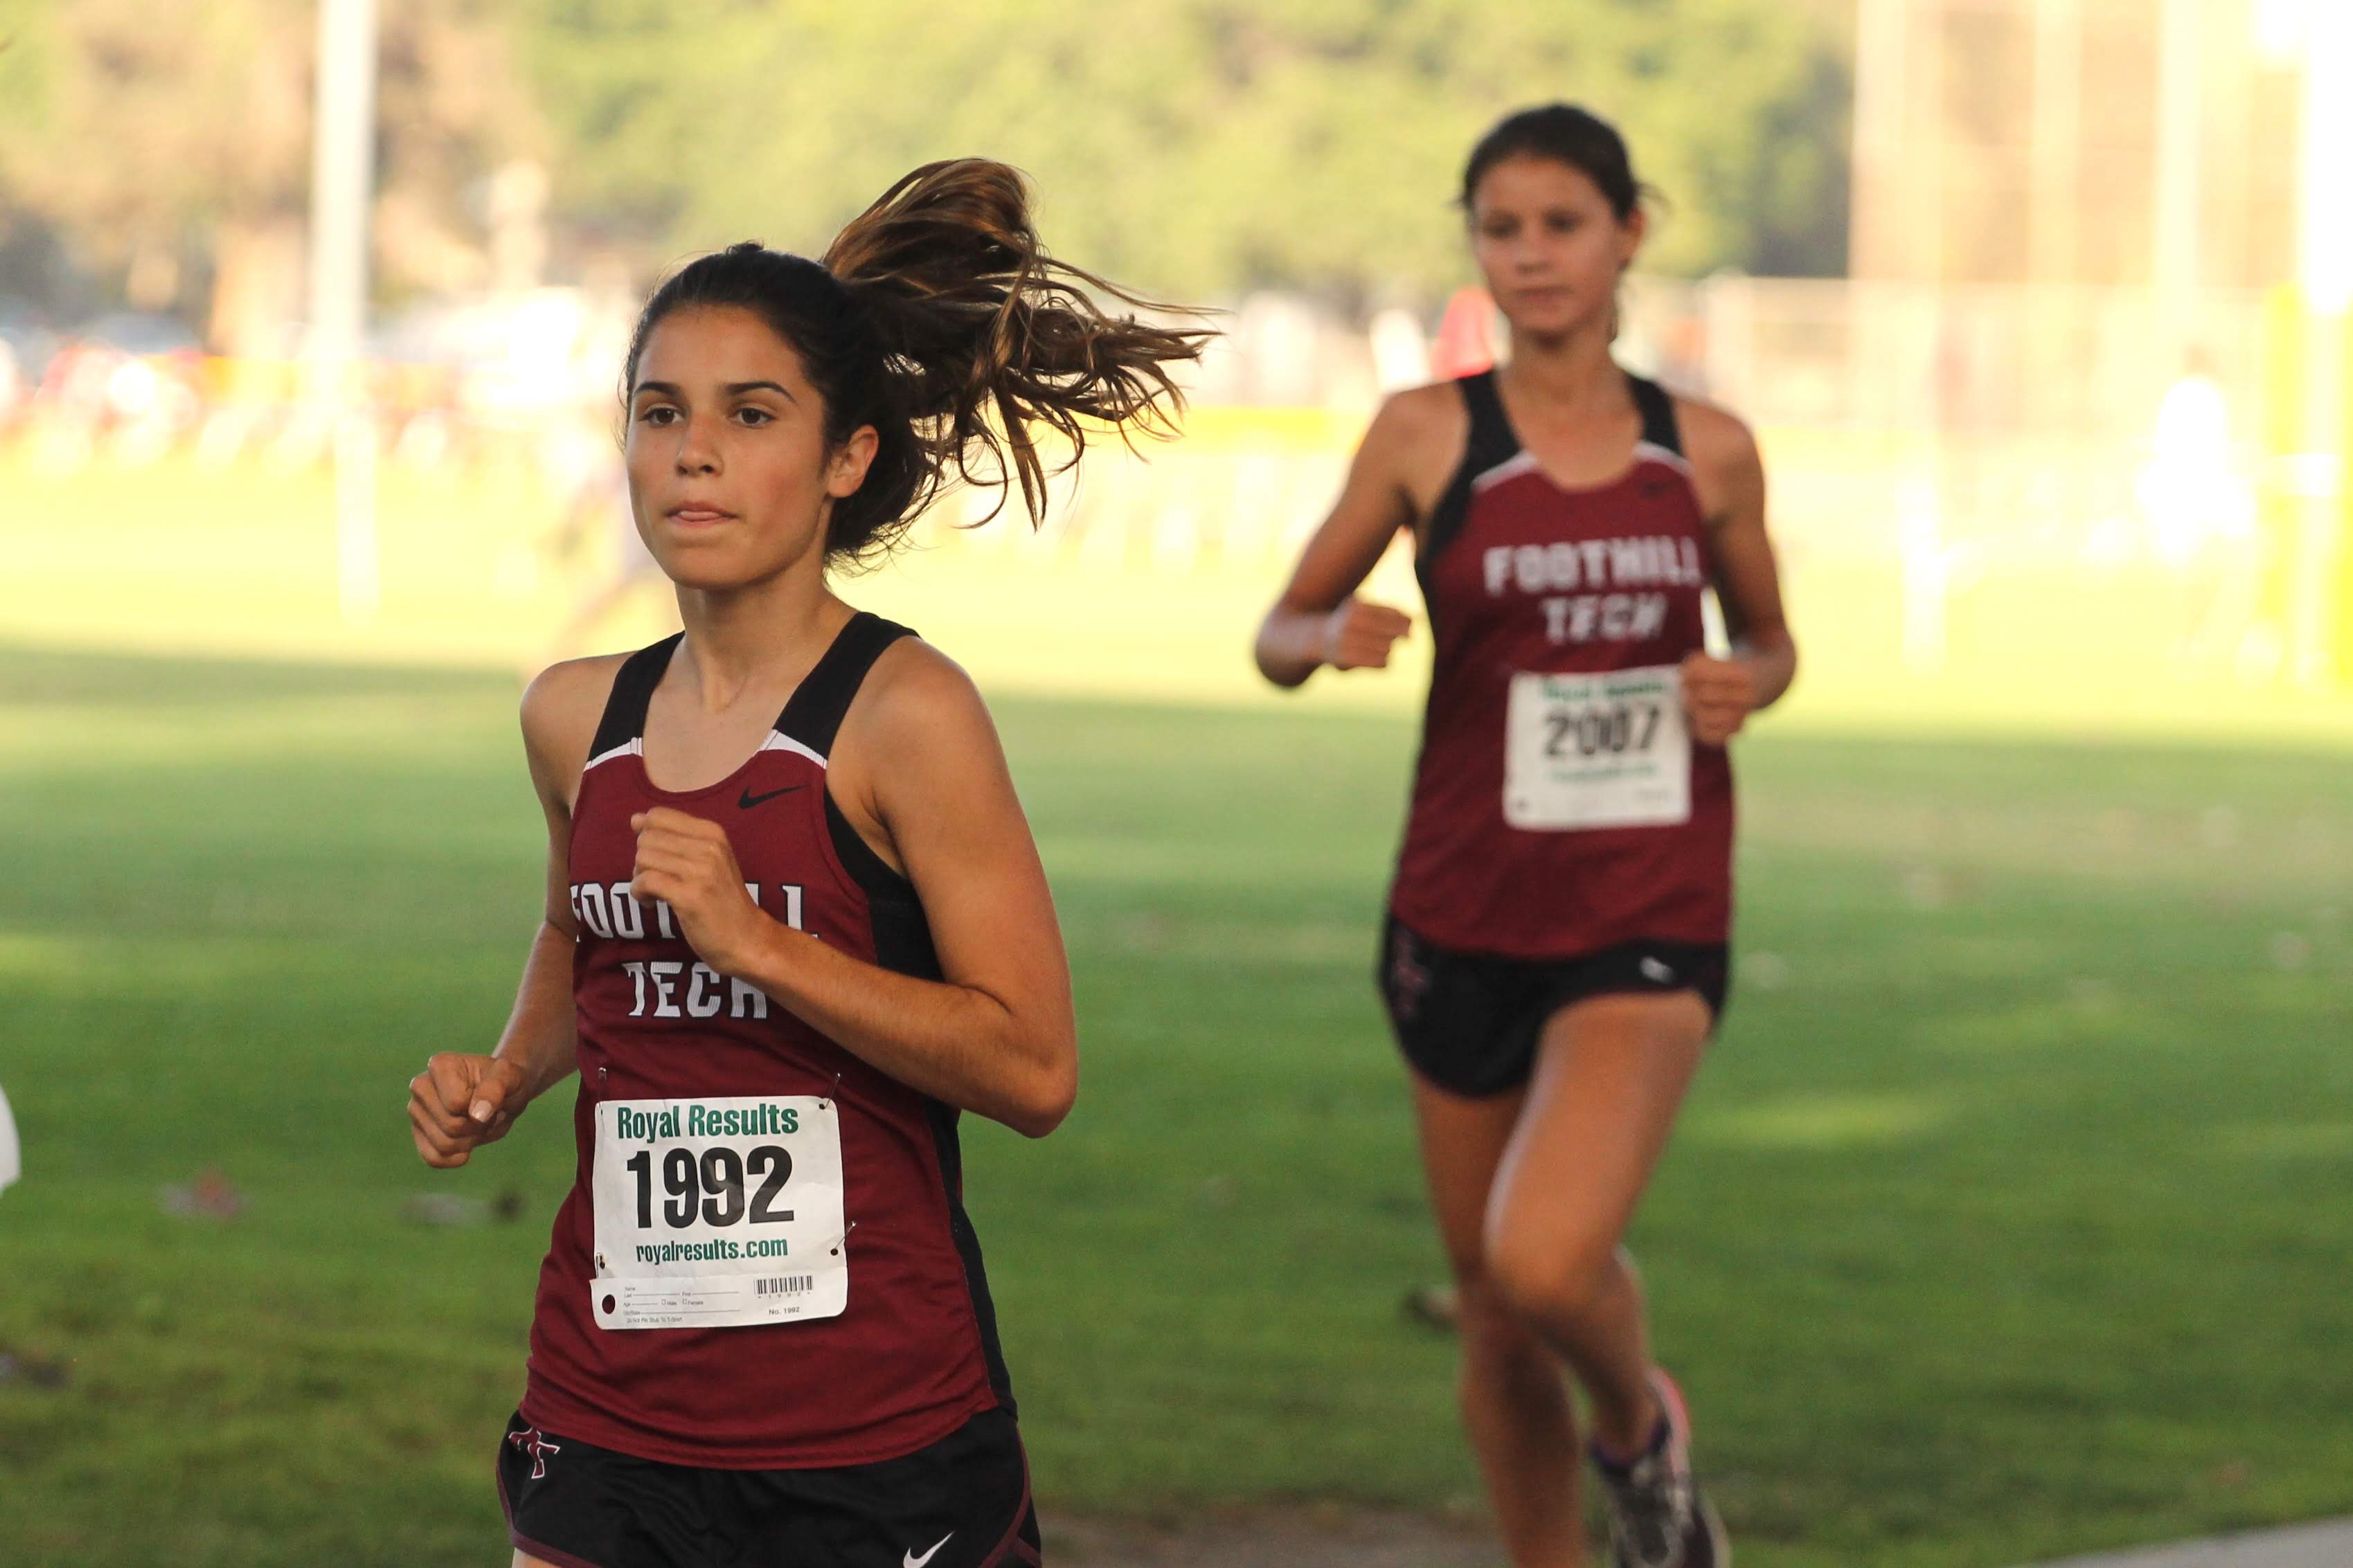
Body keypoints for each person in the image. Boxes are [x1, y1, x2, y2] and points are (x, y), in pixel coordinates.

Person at [406, 159, 1204, 1568]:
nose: (692, 452)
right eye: (660, 414)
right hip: (608, 1404)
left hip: (873, 1436)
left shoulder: (905, 715)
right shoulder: (572, 716)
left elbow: (1033, 1069)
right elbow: (575, 936)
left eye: (748, 414)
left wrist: (763, 942)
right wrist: (508, 1072)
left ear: (846, 457)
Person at [1254, 105, 1796, 1568]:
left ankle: (1639, 1430)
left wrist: (1743, 679)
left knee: (1543, 1256)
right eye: (1502, 227)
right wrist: (1327, 632)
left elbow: (1769, 640)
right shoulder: (1428, 434)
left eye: (1563, 223)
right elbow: (1277, 627)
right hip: (1459, 905)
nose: (1532, 253)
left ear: (1630, 232)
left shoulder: (1708, 450)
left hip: (1644, 897)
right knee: (1492, 1314)